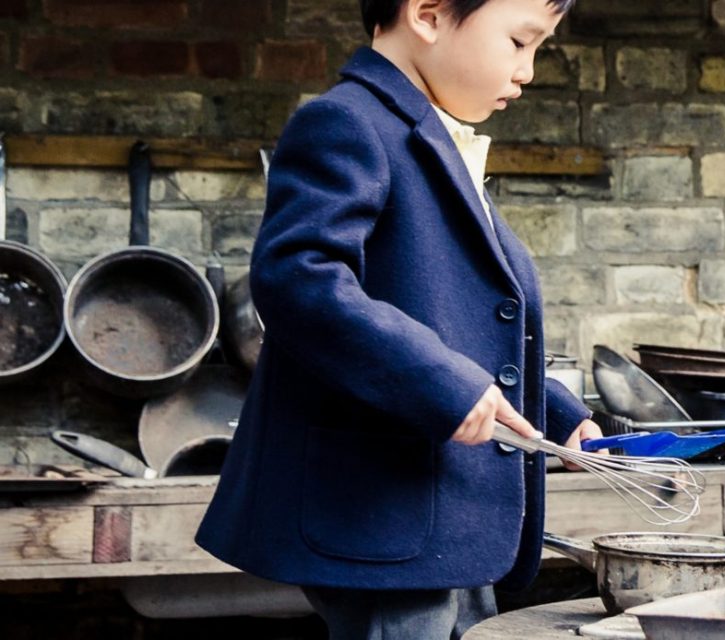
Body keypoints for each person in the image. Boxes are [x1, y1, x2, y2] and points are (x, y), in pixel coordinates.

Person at [196, 1, 601, 637]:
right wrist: (443, 385)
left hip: (445, 513)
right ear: (430, 14)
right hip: (383, 518)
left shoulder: (430, 134)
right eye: (520, 42)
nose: (527, 71)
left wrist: (554, 417)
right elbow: (301, 280)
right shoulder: (344, 122)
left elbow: (454, 325)